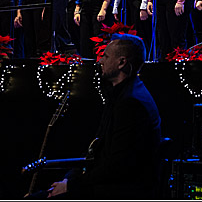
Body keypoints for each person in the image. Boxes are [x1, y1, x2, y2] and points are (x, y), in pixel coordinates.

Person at [47, 34, 161, 199]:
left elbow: (117, 166)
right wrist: (69, 178)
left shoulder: (131, 103)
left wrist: (71, 185)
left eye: (106, 56)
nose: (100, 61)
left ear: (122, 62)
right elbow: (97, 147)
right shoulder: (121, 94)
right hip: (109, 183)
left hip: (121, 190)